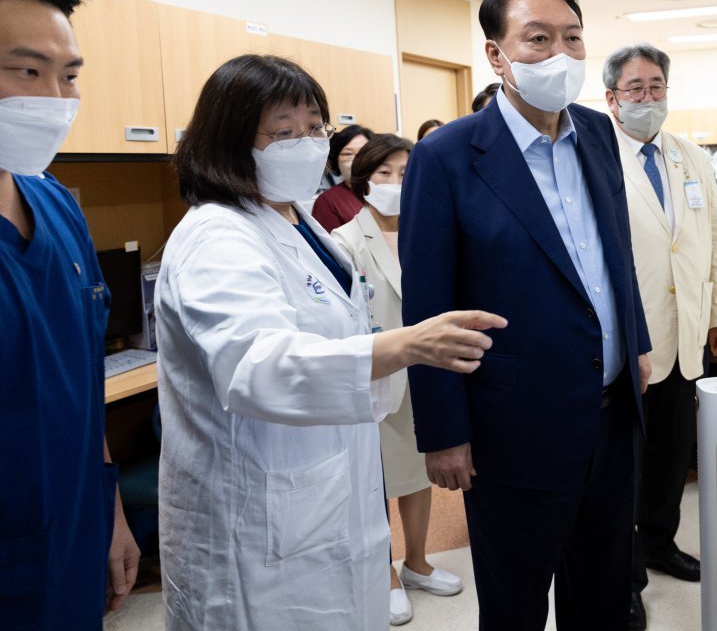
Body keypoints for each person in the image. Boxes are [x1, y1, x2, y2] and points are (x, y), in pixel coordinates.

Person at [155, 53, 505, 630]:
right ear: (229, 141)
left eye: (315, 127)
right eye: (283, 132)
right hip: (255, 521)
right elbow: (258, 365)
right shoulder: (216, 236)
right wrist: (407, 346)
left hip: (328, 494)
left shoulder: (301, 224)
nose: (308, 142)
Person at [398, 0, 652, 631]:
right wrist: (443, 433)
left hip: (610, 418)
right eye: (538, 39)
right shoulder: (448, 158)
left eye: (572, 38)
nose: (560, 55)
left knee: (602, 598)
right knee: (514, 606)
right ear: (497, 54)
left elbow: (614, 253)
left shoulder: (598, 133)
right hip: (511, 429)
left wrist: (638, 343)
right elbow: (428, 307)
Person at [0, 0, 140, 629]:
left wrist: (109, 511)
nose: (55, 98)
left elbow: (80, 385)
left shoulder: (57, 207)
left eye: (71, 75)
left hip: (75, 541)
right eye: (27, 71)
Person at [602, 43, 717, 629]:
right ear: (611, 98)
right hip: (630, 342)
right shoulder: (597, 156)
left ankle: (660, 543)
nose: (647, 97)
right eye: (635, 88)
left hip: (687, 337)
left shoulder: (689, 156)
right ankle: (625, 575)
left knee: (670, 457)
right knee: (624, 467)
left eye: (656, 86)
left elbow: (714, 239)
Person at [330, 133, 463, 625]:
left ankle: (418, 563)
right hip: (377, 376)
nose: (394, 183)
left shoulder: (431, 230)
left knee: (417, 471)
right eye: (383, 173)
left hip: (427, 373)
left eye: (406, 174)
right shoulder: (343, 239)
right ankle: (383, 573)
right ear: (362, 180)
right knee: (376, 480)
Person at [312, 123, 374, 230]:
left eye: (364, 152)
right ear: (336, 159)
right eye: (348, 154)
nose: (357, 159)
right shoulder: (327, 202)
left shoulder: (388, 192)